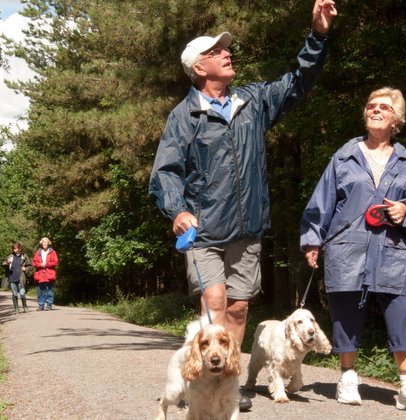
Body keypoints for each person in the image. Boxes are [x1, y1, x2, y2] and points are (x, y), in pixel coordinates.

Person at [148, 0, 337, 412]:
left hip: (248, 226)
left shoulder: (251, 102)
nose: (226, 53)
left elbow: (297, 82)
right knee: (214, 302)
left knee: (238, 305)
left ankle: (228, 384)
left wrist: (318, 36)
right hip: (204, 230)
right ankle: (202, 380)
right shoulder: (184, 116)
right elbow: (165, 171)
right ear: (199, 67)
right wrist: (177, 210)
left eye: (226, 49)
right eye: (216, 51)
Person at [299, 87, 406, 411]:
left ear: (396, 119)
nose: (376, 110)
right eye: (371, 105)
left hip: (393, 248)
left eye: (384, 107)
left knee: (400, 312)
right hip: (348, 246)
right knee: (346, 311)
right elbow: (322, 202)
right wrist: (312, 240)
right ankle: (347, 377)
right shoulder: (343, 157)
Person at [4, 241, 33, 313]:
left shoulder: (24, 256)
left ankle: (25, 308)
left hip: (21, 278)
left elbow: (30, 266)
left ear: (20, 249)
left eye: (16, 248)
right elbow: (3, 263)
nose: (15, 250)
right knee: (14, 294)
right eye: (14, 249)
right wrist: (7, 262)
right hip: (12, 278)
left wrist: (25, 269)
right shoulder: (10, 256)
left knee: (22, 293)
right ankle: (16, 309)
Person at [32, 237, 59, 311]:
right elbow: (34, 262)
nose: (44, 243)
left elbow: (55, 262)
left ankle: (49, 305)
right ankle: (41, 305)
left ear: (48, 243)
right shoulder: (38, 252)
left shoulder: (53, 252)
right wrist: (40, 265)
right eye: (43, 242)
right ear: (41, 243)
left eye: (46, 242)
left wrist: (46, 264)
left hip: (49, 274)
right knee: (40, 290)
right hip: (40, 274)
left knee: (49, 290)